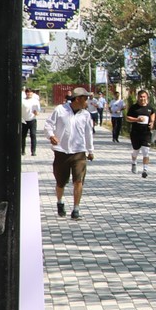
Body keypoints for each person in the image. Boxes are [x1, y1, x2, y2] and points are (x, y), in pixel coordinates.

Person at [48, 86, 98, 219]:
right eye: (85, 98)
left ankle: (76, 209)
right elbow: (48, 125)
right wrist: (51, 135)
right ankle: (60, 202)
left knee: (78, 181)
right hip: (61, 151)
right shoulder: (60, 110)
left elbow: (88, 134)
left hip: (79, 152)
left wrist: (90, 150)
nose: (87, 101)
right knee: (60, 182)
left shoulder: (86, 114)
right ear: (77, 99)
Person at [127, 88, 156, 177]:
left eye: (144, 97)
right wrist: (137, 119)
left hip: (146, 133)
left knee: (146, 151)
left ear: (147, 97)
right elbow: (127, 118)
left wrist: (152, 122)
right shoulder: (134, 108)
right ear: (138, 97)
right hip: (135, 133)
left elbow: (153, 114)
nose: (142, 98)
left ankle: (145, 170)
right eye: (140, 97)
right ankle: (134, 162)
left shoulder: (150, 108)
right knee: (136, 151)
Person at [20, 87, 42, 156]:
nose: (29, 93)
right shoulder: (22, 101)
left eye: (30, 92)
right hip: (24, 120)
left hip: (32, 120)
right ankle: (23, 150)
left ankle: (33, 151)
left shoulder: (35, 101)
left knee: (33, 135)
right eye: (27, 92)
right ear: (25, 93)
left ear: (32, 93)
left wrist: (36, 113)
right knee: (23, 136)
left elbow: (38, 111)